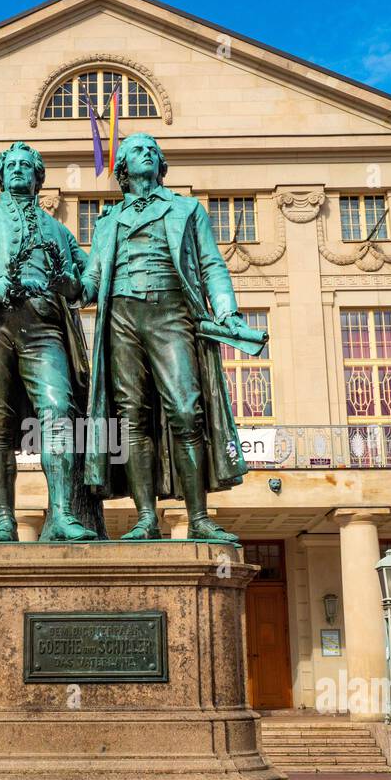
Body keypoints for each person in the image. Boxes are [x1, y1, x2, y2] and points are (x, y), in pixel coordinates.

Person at [82, 132, 267, 543]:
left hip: (171, 313)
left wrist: (228, 312)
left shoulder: (186, 209)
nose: (145, 153)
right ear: (123, 168)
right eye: (135, 150)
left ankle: (198, 517)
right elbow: (91, 281)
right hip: (122, 318)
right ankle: (146, 517)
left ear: (160, 164)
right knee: (131, 418)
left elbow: (212, 264)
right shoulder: (108, 221)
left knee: (186, 411)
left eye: (152, 150)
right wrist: (65, 284)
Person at [0, 141, 101, 542]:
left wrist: (75, 286)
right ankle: (4, 521)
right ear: (1, 176)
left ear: (39, 178)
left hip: (44, 328)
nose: (19, 169)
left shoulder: (59, 230)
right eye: (12, 165)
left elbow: (91, 277)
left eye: (27, 165)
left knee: (58, 411)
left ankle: (64, 515)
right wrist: (2, 283)